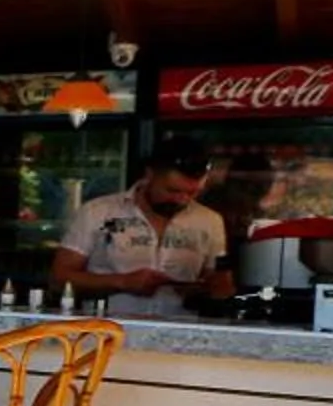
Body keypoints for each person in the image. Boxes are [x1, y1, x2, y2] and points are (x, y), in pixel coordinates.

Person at [51, 136, 234, 318]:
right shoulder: (98, 212)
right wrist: (122, 282)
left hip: (181, 334)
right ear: (149, 175)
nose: (182, 200)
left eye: (192, 193)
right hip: (107, 332)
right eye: (173, 191)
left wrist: (207, 289)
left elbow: (220, 287)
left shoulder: (210, 221)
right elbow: (59, 279)